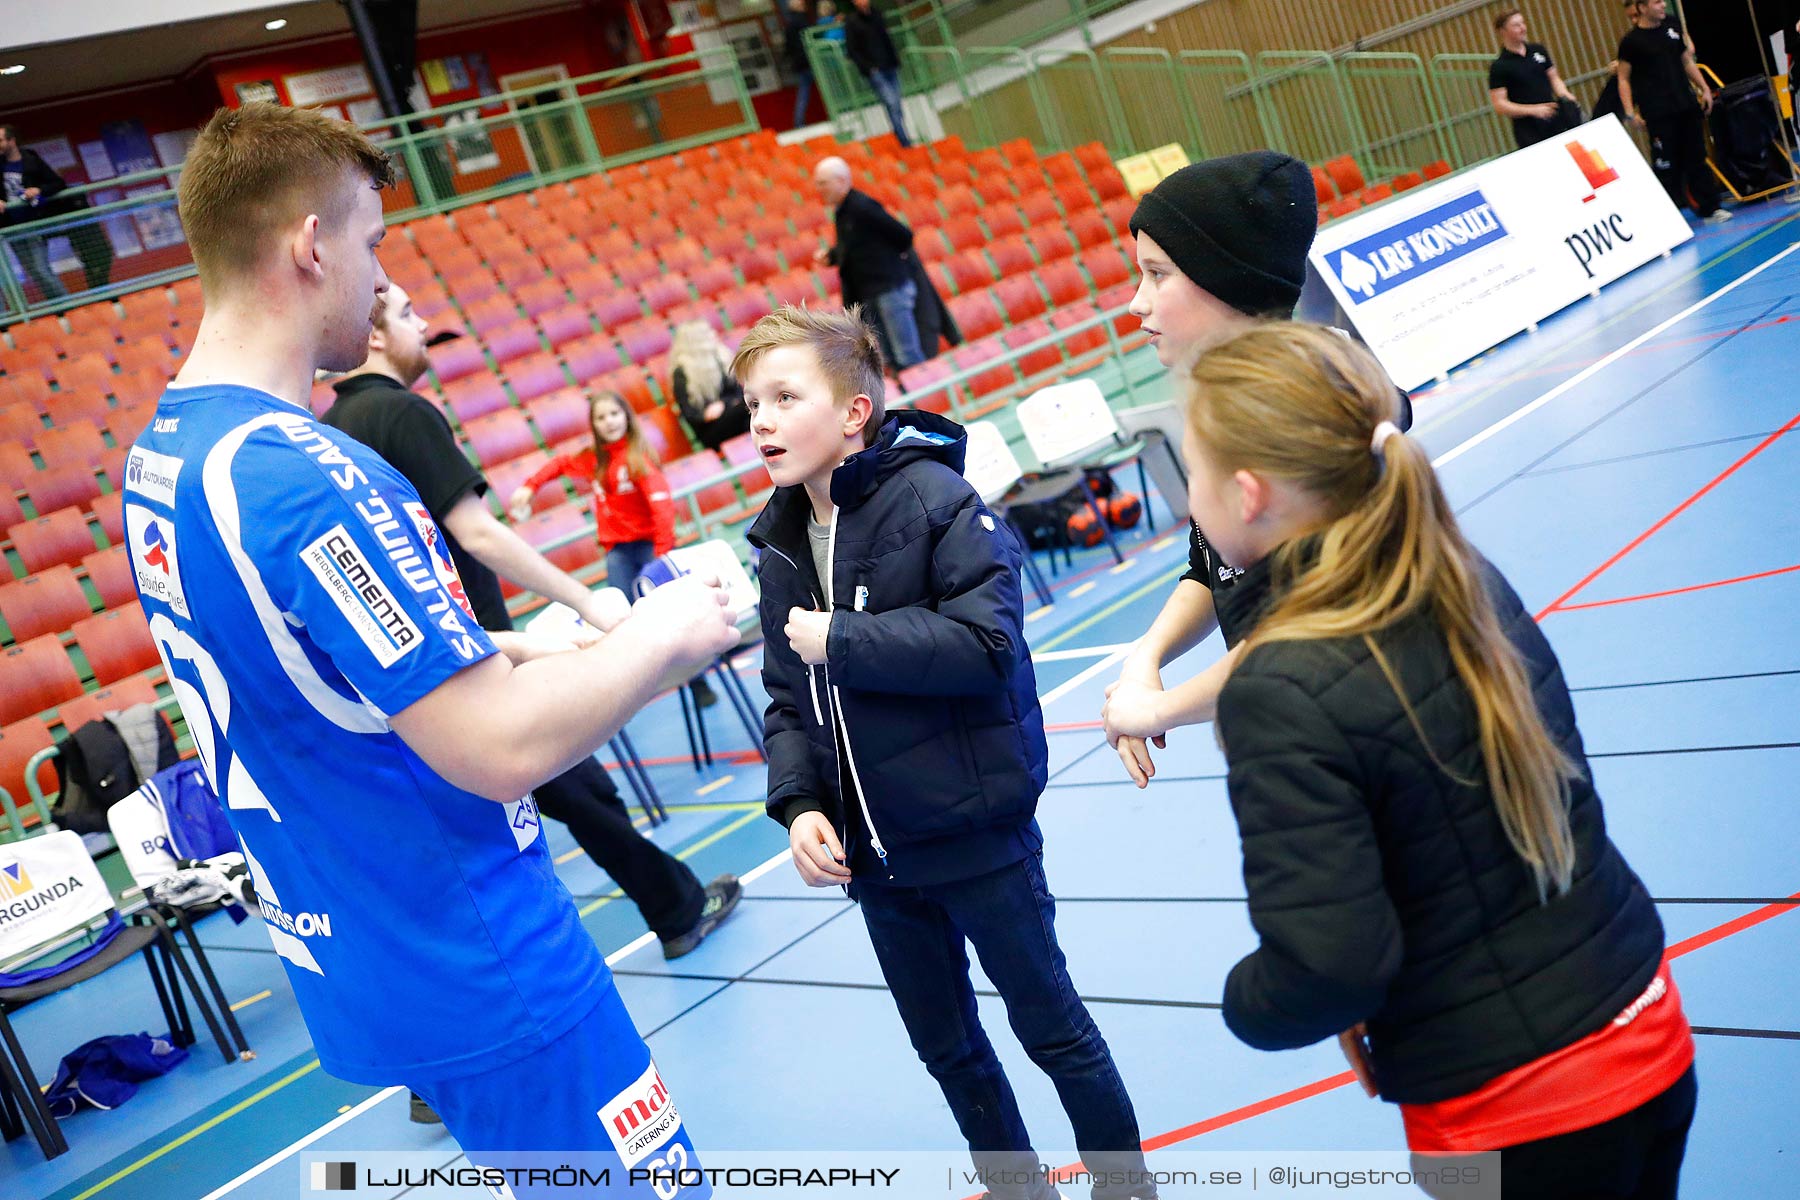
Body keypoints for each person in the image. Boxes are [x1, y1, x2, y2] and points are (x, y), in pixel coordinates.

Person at [125, 103, 736, 1192]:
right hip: (481, 952)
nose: (378, 275)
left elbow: (325, 686)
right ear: (312, 246)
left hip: (364, 948)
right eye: (372, 244)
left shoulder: (160, 460)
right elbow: (496, 750)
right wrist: (663, 634)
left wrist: (522, 652)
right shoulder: (302, 473)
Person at [1178, 322, 1696, 1200]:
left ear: (1249, 493)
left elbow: (1330, 961)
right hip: (1646, 1030)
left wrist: (1250, 1002)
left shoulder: (1281, 684)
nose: (1187, 501)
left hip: (1512, 1116)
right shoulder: (1459, 573)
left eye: (1191, 475)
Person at [738, 305, 1159, 1200]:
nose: (761, 420)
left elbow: (987, 647)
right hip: (875, 859)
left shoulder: (937, 501)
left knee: (1053, 1032)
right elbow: (788, 697)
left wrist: (843, 639)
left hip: (974, 834)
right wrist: (801, 802)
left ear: (854, 411)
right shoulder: (777, 544)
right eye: (751, 404)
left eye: (783, 396)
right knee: (950, 1052)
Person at [1100, 151, 1412, 788]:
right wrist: (1147, 654)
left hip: (1361, 753)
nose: (1136, 304)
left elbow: (1298, 638)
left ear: (1227, 282)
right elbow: (1216, 568)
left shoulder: (1296, 431)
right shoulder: (1236, 413)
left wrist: (1154, 708)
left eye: (1157, 275)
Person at [507, 389, 718, 707]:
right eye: (601, 417)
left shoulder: (639, 459)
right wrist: (529, 487)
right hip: (618, 551)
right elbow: (561, 465)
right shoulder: (593, 459)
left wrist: (662, 554)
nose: (609, 421)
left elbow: (662, 509)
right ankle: (630, 689)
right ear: (593, 424)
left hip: (650, 549)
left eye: (615, 414)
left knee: (668, 615)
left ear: (627, 417)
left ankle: (697, 681)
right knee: (617, 620)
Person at [1618, 0, 1731, 223]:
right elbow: (1623, 79)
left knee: (1697, 158)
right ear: (1642, 8)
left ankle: (1711, 208)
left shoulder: (1672, 26)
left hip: (1686, 105)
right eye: (1657, 2)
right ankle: (1666, 219)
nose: (1663, 5)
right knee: (1665, 165)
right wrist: (1630, 112)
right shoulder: (1631, 43)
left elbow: (1686, 60)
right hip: (1658, 113)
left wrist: (1704, 88)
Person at [812, 155, 925, 370]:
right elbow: (857, 246)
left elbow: (903, 235)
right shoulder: (844, 210)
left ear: (842, 181)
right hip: (870, 293)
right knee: (889, 359)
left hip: (889, 289)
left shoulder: (862, 207)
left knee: (907, 356)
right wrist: (833, 256)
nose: (819, 189)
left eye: (823, 183)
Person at [1487, 10, 1582, 149]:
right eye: (1516, 25)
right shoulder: (1500, 66)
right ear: (1503, 31)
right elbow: (1499, 104)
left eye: (1523, 23)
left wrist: (1565, 96)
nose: (1522, 28)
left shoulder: (1538, 50)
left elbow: (1554, 78)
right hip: (1529, 129)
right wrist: (1534, 110)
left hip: (1554, 118)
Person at [669, 319, 752, 452]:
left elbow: (737, 393)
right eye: (707, 333)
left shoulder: (721, 358)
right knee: (748, 407)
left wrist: (723, 404)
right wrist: (705, 415)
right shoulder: (681, 373)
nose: (713, 334)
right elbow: (690, 415)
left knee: (750, 405)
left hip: (733, 413)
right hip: (711, 430)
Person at [841, 0, 912, 147]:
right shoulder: (852, 22)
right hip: (875, 71)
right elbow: (852, 50)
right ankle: (903, 140)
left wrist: (895, 59)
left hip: (889, 65)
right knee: (891, 102)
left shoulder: (877, 14)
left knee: (896, 104)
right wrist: (868, 68)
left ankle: (900, 134)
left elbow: (886, 39)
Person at [783, 0, 817, 129]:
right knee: (829, 83)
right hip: (809, 60)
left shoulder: (789, 23)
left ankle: (799, 121)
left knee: (804, 91)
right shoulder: (801, 21)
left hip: (800, 62)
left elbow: (788, 47)